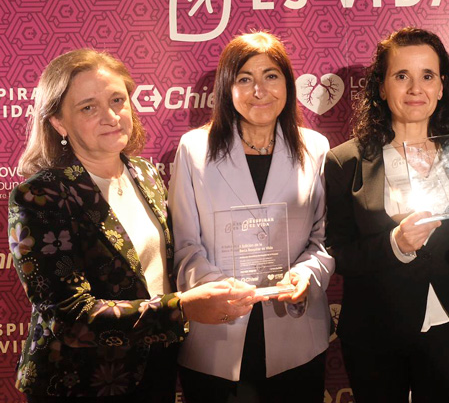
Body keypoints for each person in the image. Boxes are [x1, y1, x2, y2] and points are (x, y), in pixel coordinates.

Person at [8, 49, 257, 402]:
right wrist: (183, 307)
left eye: (117, 100)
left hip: (156, 370)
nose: (110, 116)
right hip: (79, 382)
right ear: (59, 123)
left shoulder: (144, 173)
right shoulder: (40, 196)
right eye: (88, 108)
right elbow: (70, 316)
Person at [324, 27, 449, 403]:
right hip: (375, 329)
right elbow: (337, 252)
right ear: (382, 87)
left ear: (441, 86)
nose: (416, 89)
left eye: (427, 76)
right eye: (402, 76)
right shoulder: (346, 161)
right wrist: (394, 245)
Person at [169, 31, 334, 403]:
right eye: (245, 78)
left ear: (288, 85)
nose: (259, 90)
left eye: (271, 76)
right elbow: (184, 245)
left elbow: (324, 239)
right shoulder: (194, 149)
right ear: (227, 88)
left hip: (296, 328)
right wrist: (219, 290)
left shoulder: (316, 148)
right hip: (217, 330)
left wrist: (305, 274)